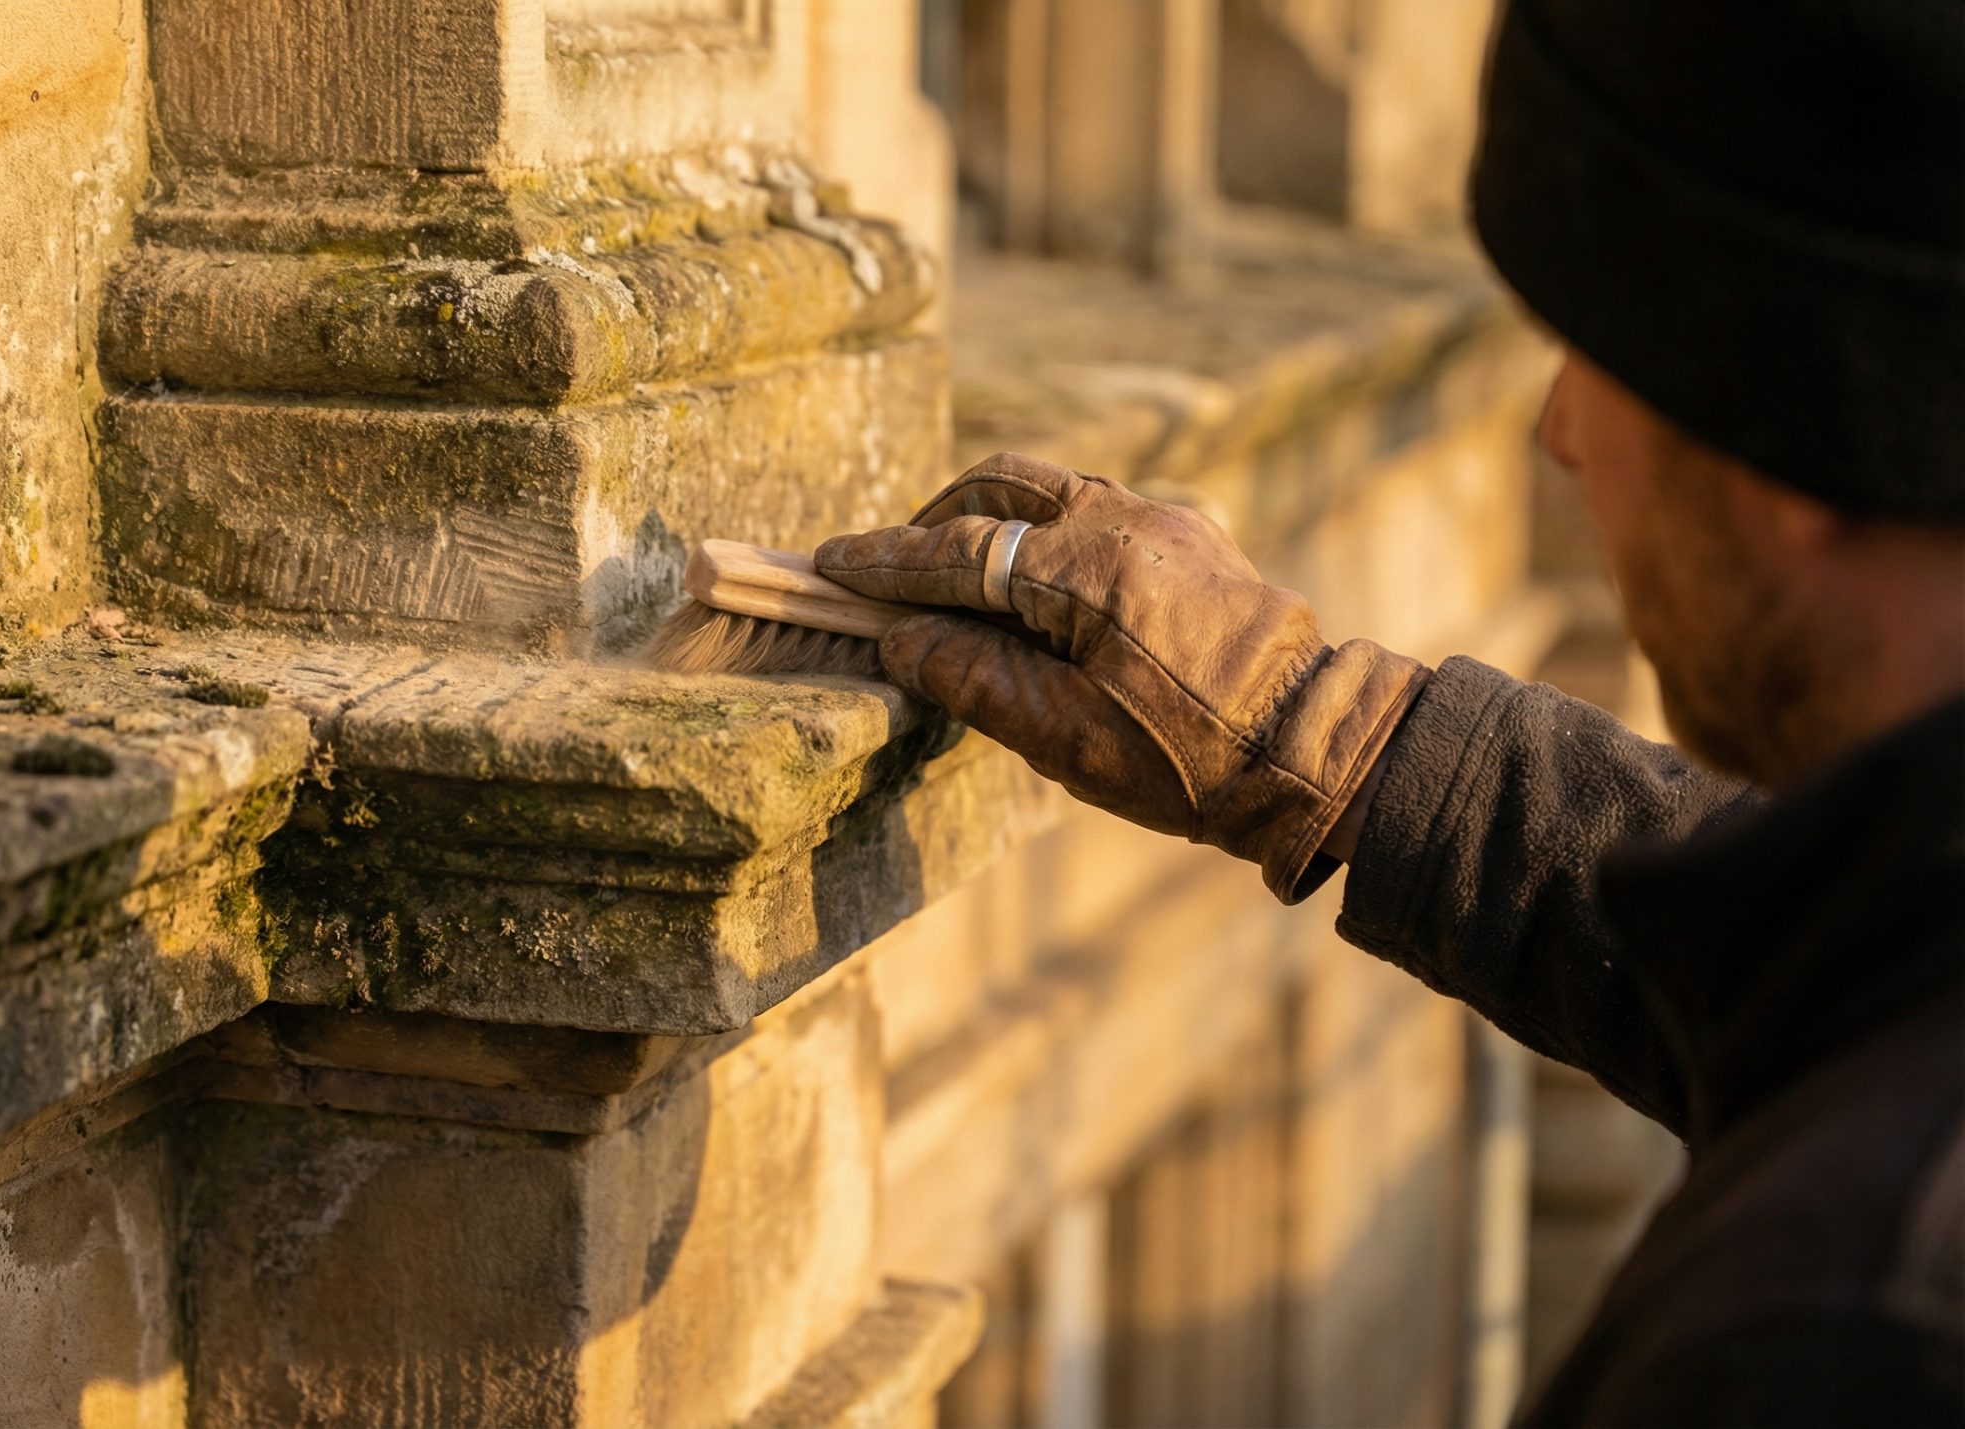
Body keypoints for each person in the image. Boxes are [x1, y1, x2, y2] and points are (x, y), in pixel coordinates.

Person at [816, 1, 1965, 1424]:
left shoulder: (1851, 1336)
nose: (1558, 432)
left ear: (1798, 414)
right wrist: (1343, 731)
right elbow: (1848, 967)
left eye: (1595, 348)